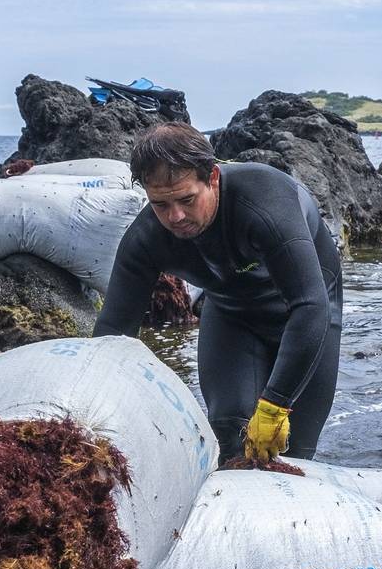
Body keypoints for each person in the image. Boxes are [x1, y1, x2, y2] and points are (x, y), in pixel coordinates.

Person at [95, 123, 343, 463]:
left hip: (306, 313)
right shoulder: (146, 239)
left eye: (186, 199)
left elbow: (311, 306)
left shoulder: (263, 201)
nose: (176, 216)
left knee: (292, 452)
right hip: (231, 313)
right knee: (229, 437)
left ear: (212, 177)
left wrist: (275, 404)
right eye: (160, 205)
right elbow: (112, 335)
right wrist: (95, 419)